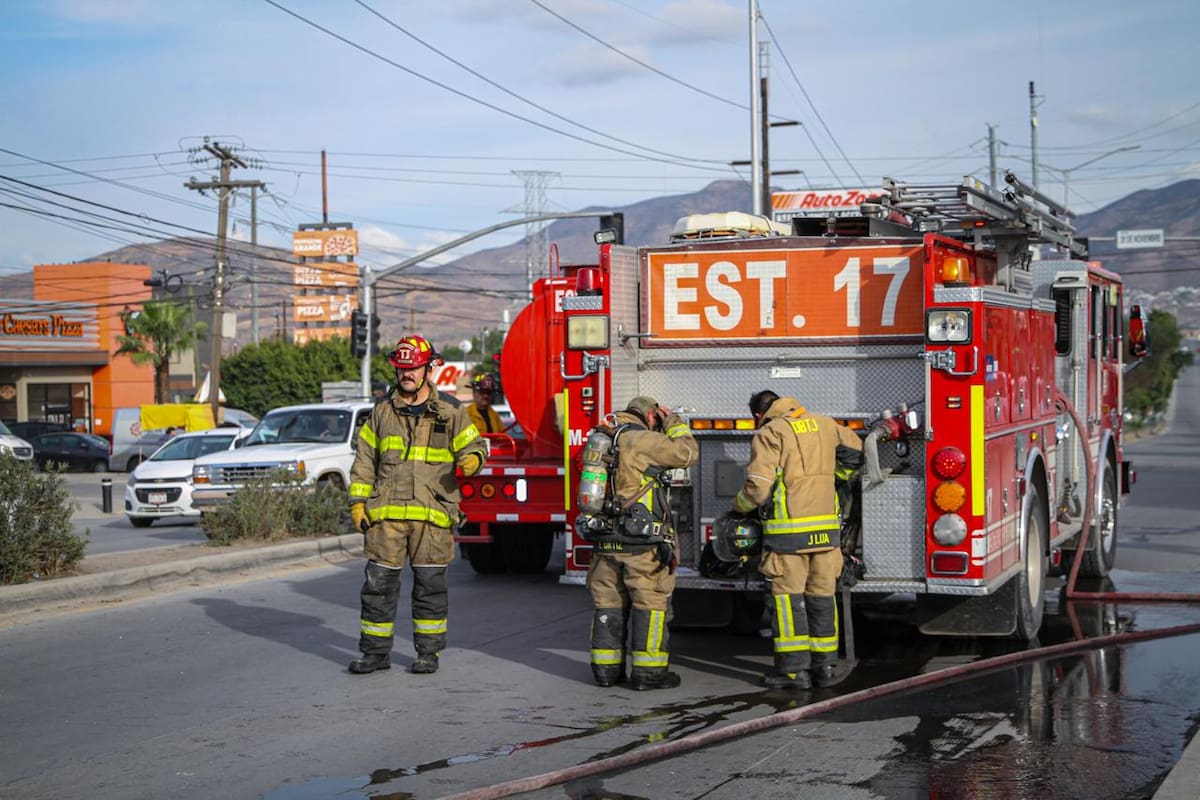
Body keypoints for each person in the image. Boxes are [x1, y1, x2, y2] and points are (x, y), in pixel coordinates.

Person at [346, 334, 488, 676]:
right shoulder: (381, 412)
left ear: (428, 369)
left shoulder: (450, 411)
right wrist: (357, 503)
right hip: (387, 518)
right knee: (377, 589)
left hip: (432, 517)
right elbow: (364, 461)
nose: (406, 374)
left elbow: (476, 446)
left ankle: (428, 653)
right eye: (401, 369)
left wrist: (472, 460)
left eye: (413, 368)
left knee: (430, 590)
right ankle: (375, 653)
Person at [733, 390, 863, 690]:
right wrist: (834, 477)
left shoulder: (771, 433)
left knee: (788, 601)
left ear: (758, 415)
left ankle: (794, 673)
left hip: (788, 538)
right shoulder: (825, 424)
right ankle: (825, 668)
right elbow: (856, 453)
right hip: (826, 536)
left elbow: (758, 488)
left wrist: (738, 506)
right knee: (822, 598)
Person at [585, 396, 698, 691]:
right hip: (640, 543)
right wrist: (671, 421)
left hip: (604, 541)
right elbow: (688, 453)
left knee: (607, 604)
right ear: (650, 415)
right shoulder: (642, 440)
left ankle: (606, 672)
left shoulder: (602, 437)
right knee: (650, 603)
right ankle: (649, 674)